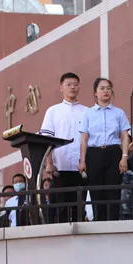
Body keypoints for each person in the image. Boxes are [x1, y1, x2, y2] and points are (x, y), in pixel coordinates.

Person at [78, 77, 131, 222]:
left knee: (113, 191)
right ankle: (99, 224)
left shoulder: (119, 113)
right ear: (95, 92)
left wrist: (124, 157)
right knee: (96, 192)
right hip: (94, 154)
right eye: (102, 88)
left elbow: (124, 136)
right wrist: (82, 160)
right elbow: (83, 138)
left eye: (108, 88)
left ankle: (113, 223)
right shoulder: (88, 113)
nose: (105, 91)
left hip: (114, 153)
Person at [40, 72, 90, 223]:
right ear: (61, 87)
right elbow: (47, 138)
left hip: (81, 167)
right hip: (59, 168)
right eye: (69, 84)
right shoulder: (53, 111)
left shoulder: (87, 111)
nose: (72, 87)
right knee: (60, 208)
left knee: (79, 207)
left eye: (75, 84)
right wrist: (49, 163)